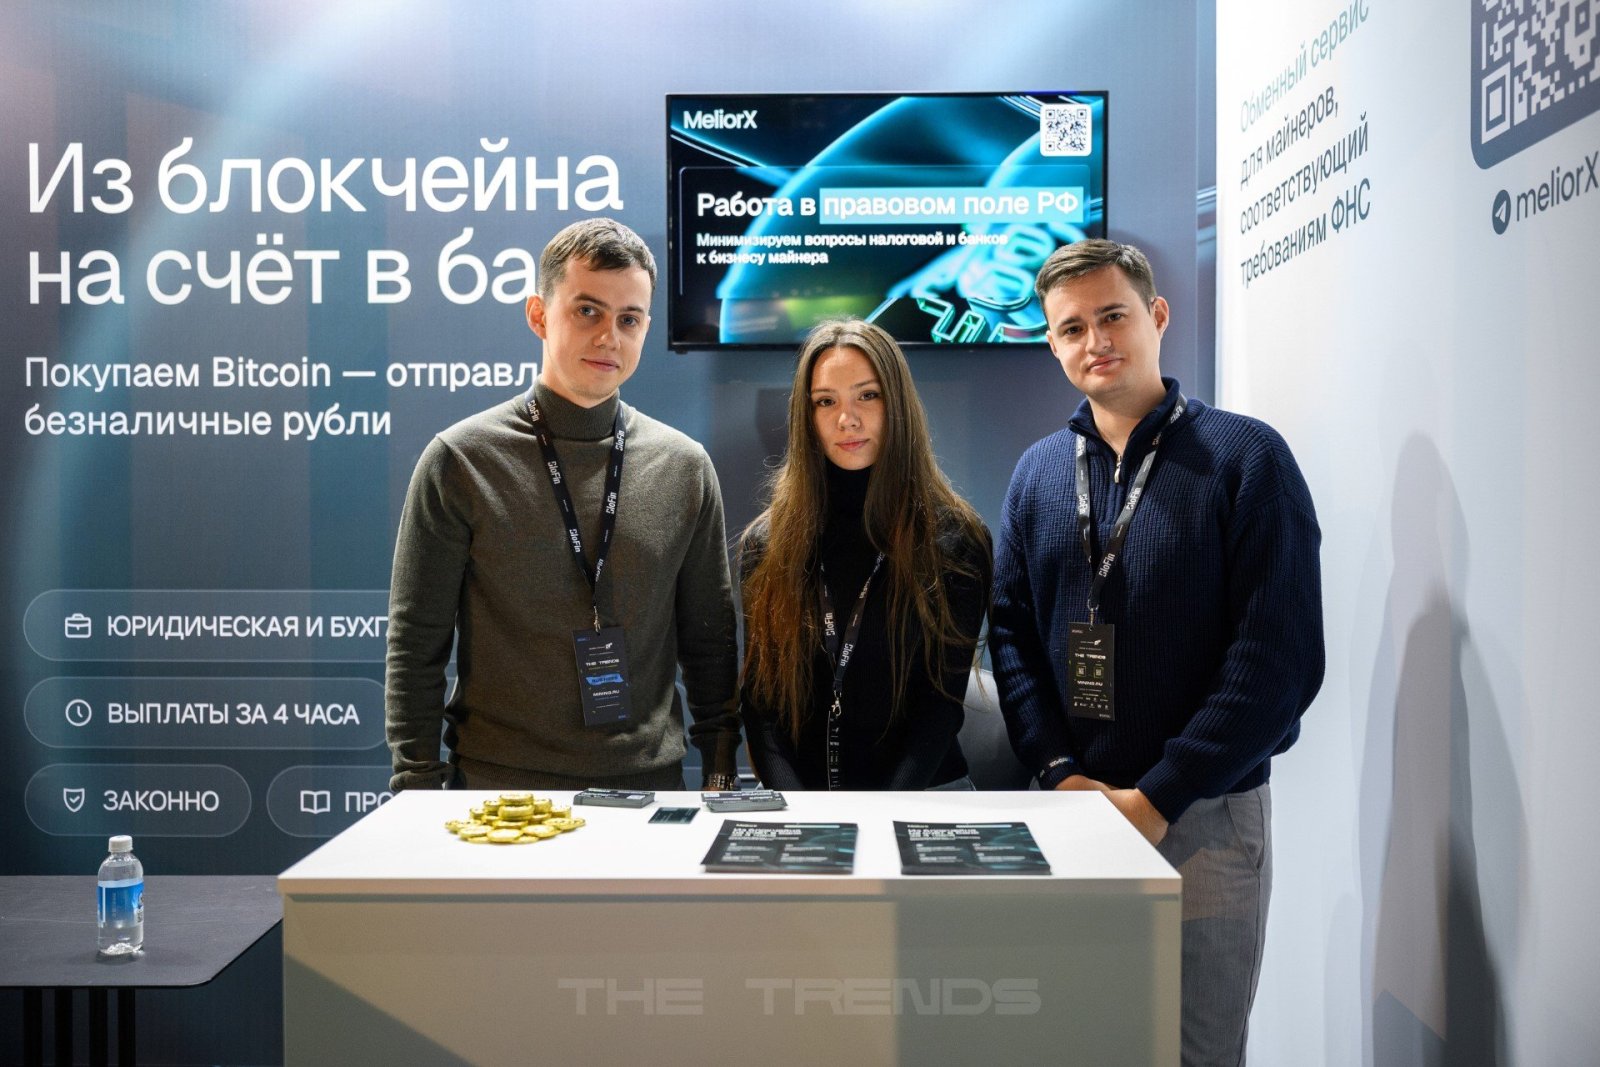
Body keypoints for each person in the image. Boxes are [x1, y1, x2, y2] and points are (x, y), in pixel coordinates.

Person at [990, 239, 1323, 1065]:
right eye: (1072, 328)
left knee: (1195, 1050)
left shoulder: (1247, 458)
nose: (1095, 340)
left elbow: (1277, 659)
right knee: (1074, 1044)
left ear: (1157, 315)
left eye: (1113, 315)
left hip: (1206, 816)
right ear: (1051, 343)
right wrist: (1061, 773)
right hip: (1073, 809)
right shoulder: (1037, 473)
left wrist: (1160, 794)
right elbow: (1012, 634)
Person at [385, 218, 741, 793]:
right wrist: (417, 788)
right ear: (539, 315)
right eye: (587, 311)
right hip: (498, 795)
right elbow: (416, 644)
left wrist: (721, 770)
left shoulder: (684, 466)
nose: (609, 337)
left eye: (629, 319)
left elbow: (709, 643)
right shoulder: (461, 460)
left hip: (651, 789)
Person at [740, 319, 991, 790]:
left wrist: (879, 815)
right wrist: (800, 812)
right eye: (825, 401)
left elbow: (939, 709)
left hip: (923, 796)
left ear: (897, 403)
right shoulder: (766, 544)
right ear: (806, 416)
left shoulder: (956, 539)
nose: (847, 419)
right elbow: (762, 706)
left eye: (867, 396)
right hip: (803, 803)